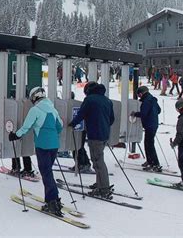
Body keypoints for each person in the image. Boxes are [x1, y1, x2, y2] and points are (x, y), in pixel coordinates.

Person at [9, 87, 64, 216]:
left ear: (34, 97)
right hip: (54, 145)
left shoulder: (35, 110)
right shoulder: (53, 109)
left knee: (46, 173)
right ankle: (52, 199)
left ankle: (53, 201)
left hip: (43, 145)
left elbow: (26, 126)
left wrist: (15, 135)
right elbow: (59, 126)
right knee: (47, 172)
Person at [70, 82, 114, 198]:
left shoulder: (89, 100)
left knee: (97, 162)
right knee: (99, 159)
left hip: (95, 135)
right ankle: (100, 182)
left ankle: (103, 188)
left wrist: (72, 124)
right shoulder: (107, 100)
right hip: (105, 134)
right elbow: (112, 119)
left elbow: (81, 114)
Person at [132, 86, 162, 172]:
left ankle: (155, 163)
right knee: (148, 143)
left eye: (139, 95)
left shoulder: (146, 101)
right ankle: (150, 161)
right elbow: (159, 110)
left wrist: (135, 114)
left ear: (141, 93)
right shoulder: (152, 99)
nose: (139, 97)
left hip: (149, 124)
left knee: (149, 145)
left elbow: (144, 113)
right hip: (154, 124)